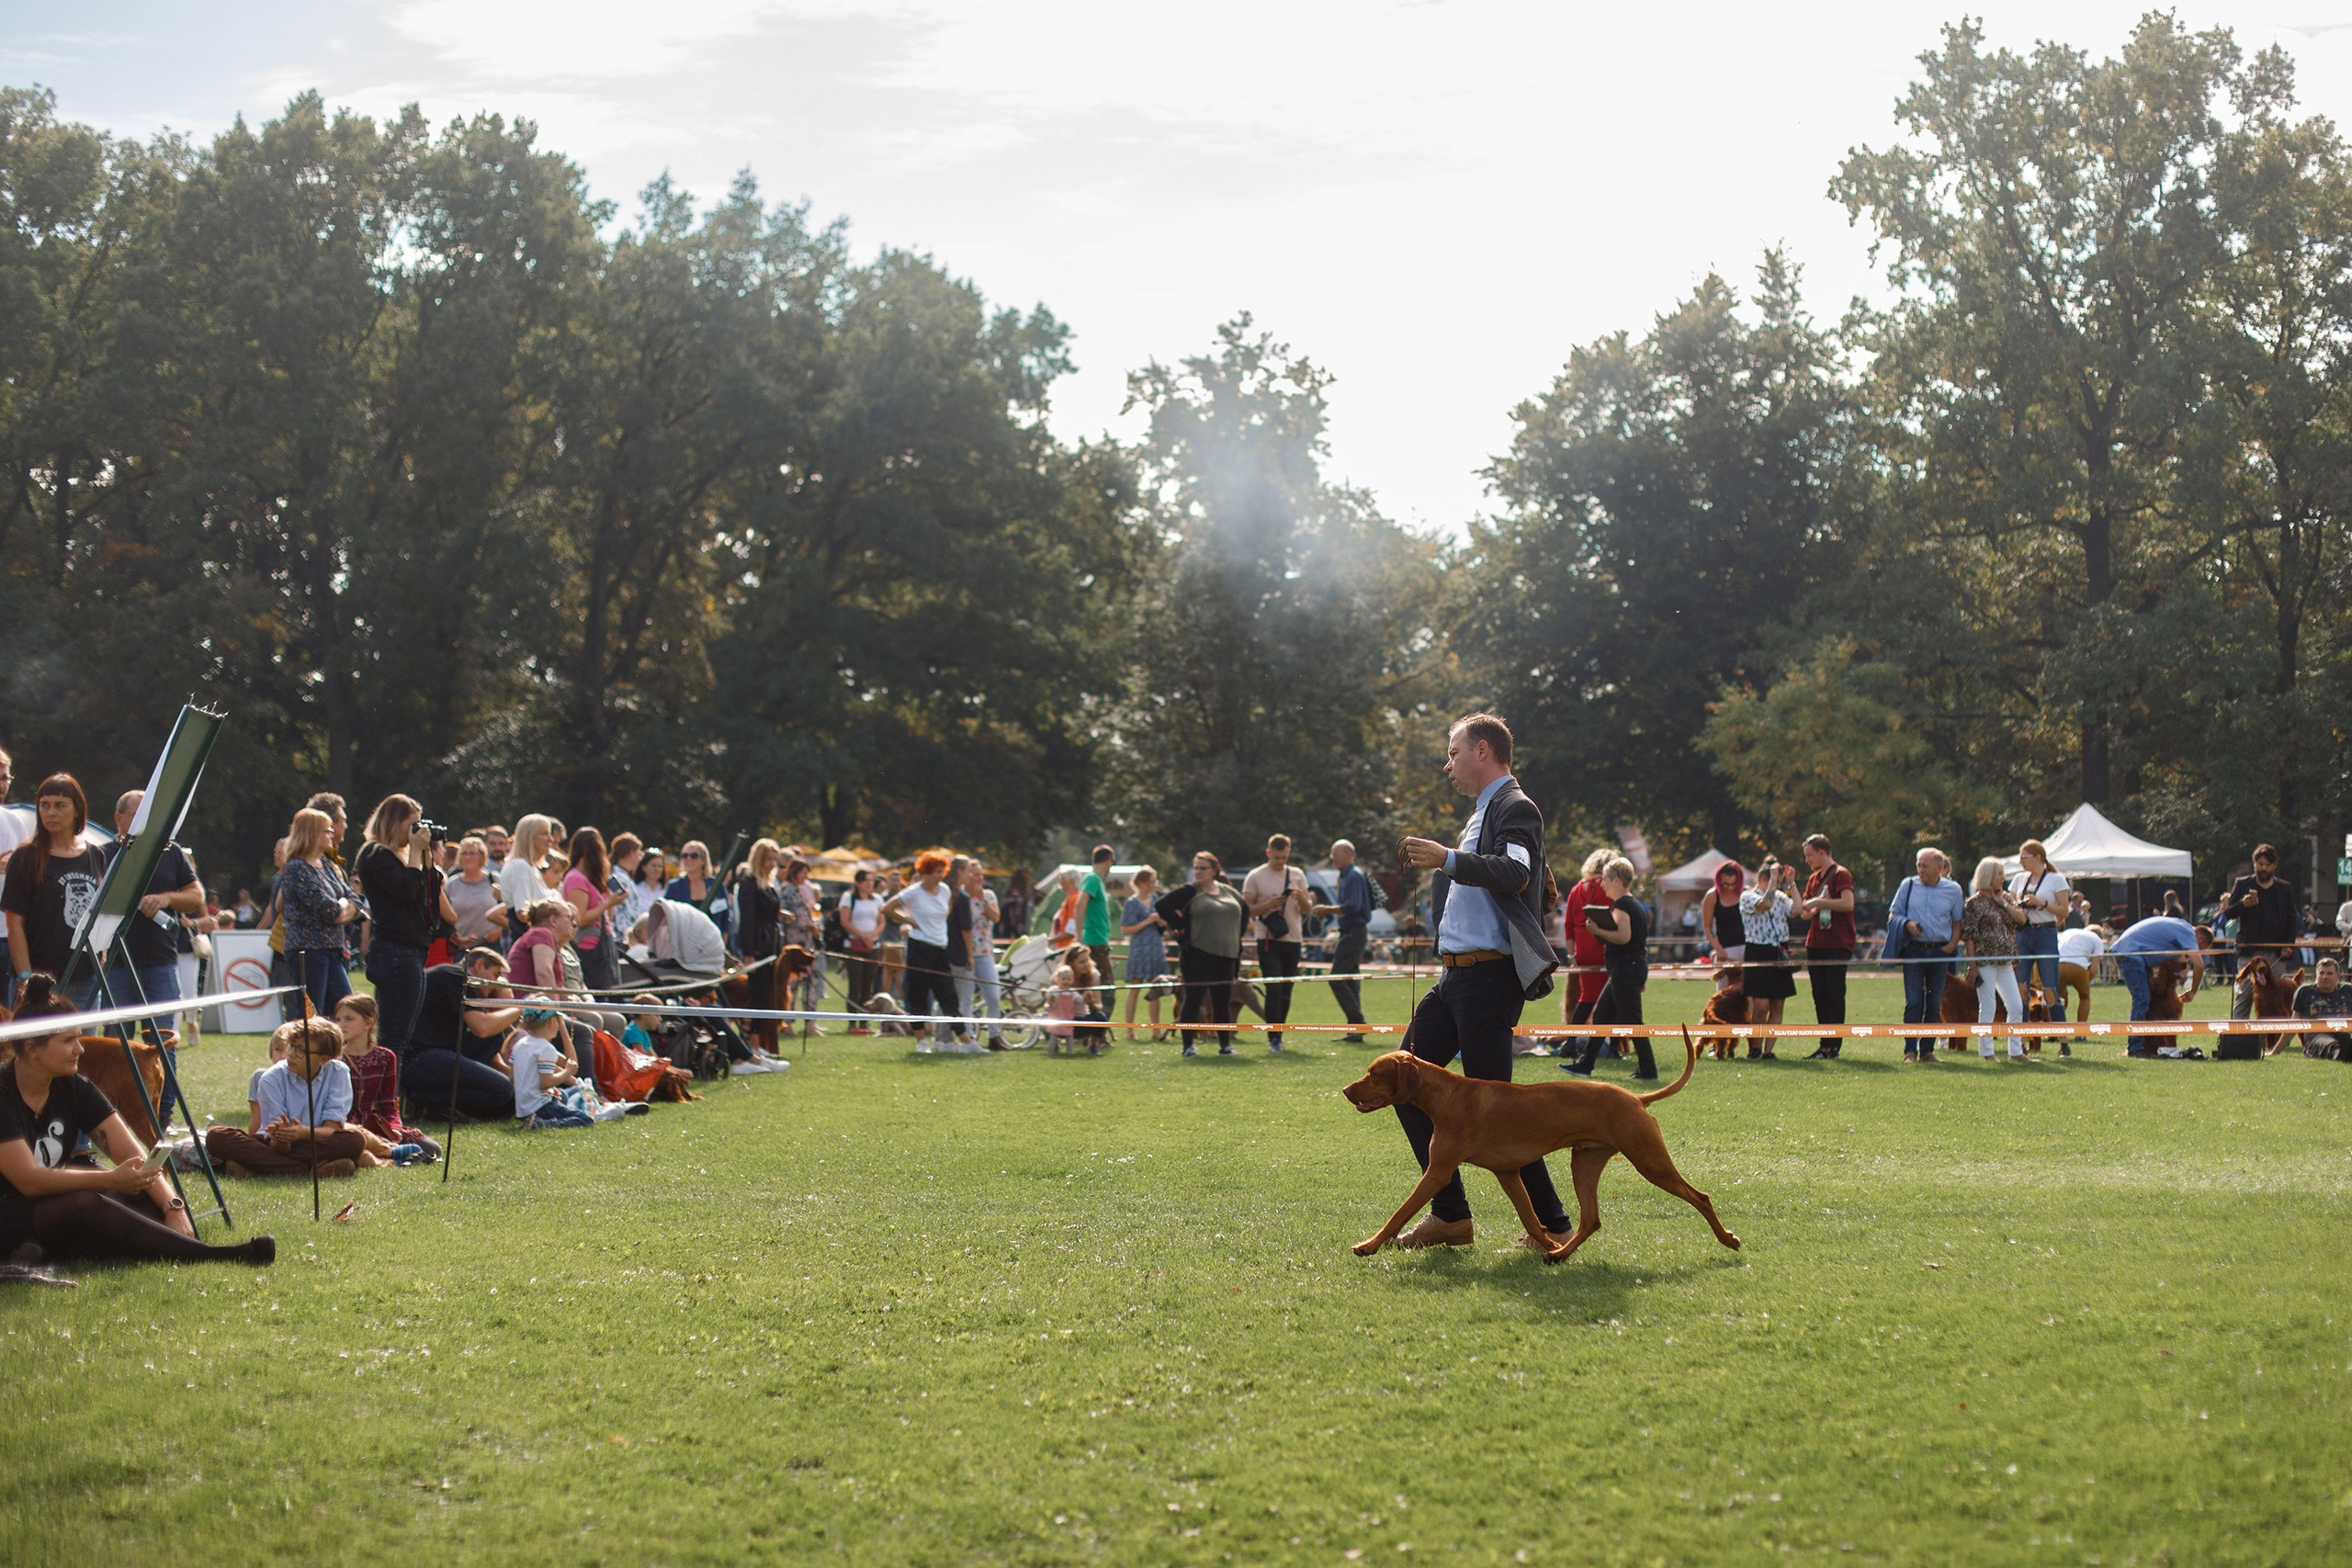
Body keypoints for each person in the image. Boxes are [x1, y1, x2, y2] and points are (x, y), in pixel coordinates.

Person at [1394, 712, 1569, 1250]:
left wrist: (1447, 859)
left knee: (1501, 1116)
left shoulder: (1515, 806)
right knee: (1404, 1085)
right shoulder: (1482, 813)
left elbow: (1515, 873)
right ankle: (1451, 1218)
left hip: (1488, 981)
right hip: (1453, 982)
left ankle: (1554, 1225)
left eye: (1454, 752)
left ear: (1484, 751)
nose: (1447, 764)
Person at [0, 975, 273, 1267]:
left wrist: (173, 1205)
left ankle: (64, 1248)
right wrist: (109, 1179)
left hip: (51, 1206)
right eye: (68, 1041)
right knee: (84, 1200)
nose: (80, 1049)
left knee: (145, 1197)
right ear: (32, 1050)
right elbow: (28, 1181)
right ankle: (214, 1255)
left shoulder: (73, 1085)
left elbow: (135, 1156)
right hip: (11, 1210)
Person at [92, 787, 204, 1023]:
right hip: (116, 963)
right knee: (119, 1045)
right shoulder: (102, 855)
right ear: (118, 818)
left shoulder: (169, 852)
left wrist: (166, 899)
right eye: (138, 815)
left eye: (150, 815)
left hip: (160, 961)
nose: (146, 821)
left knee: (163, 1043)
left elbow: (197, 896)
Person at [205, 1017, 368, 1177]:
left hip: (317, 1141)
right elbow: (275, 1143)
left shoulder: (338, 1072)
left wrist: (303, 1132)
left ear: (323, 1059)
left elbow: (332, 1129)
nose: (290, 1054)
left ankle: (257, 1167)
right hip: (273, 1145)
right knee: (216, 1137)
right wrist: (283, 1137)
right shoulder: (271, 1078)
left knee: (355, 1140)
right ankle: (308, 1170)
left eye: (301, 1051)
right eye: (291, 1046)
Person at [3, 774, 109, 1010]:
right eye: (45, 805)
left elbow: (100, 912)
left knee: (82, 1047)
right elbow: (14, 922)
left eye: (60, 806)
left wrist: (101, 955)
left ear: (77, 810)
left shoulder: (95, 855)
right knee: (33, 1047)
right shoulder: (26, 856)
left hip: (85, 977)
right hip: (38, 980)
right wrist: (25, 976)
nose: (50, 812)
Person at [355, 794, 449, 1057]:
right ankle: (386, 1098)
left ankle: (392, 1097)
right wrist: (417, 852)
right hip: (395, 953)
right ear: (394, 823)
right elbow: (406, 892)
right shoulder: (375, 854)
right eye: (413, 824)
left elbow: (428, 895)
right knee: (393, 1041)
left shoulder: (403, 856)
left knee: (403, 1039)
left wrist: (427, 855)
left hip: (411, 952)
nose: (419, 831)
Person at [403, 947, 526, 1121]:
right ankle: (424, 1098)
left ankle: (436, 1101)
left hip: (433, 1052)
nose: (496, 984)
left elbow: (486, 1032)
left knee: (495, 1038)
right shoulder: (459, 977)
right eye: (495, 975)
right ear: (479, 965)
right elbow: (481, 1028)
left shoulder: (452, 976)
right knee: (503, 1091)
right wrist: (520, 1008)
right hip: (419, 1057)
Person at [1566, 857, 1654, 1077]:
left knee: (1633, 1020)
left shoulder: (1622, 904)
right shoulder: (1633, 904)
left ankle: (1649, 1069)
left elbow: (1623, 937)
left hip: (1626, 969)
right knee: (1601, 1016)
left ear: (1616, 879)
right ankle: (1585, 1064)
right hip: (1625, 970)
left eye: (1605, 879)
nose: (1602, 884)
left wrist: (1597, 930)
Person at [1157, 852, 1246, 1056]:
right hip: (1197, 954)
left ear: (1215, 870)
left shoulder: (1228, 892)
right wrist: (1181, 926)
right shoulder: (1190, 891)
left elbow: (1244, 910)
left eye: (1202, 868)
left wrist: (1235, 937)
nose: (1198, 872)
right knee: (1193, 999)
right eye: (1196, 867)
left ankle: (1225, 1045)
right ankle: (1188, 1045)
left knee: (1222, 1002)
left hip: (1227, 955)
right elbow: (1162, 906)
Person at [882, 851, 969, 1050]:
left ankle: (966, 1041)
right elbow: (886, 908)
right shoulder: (913, 892)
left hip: (940, 947)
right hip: (919, 947)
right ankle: (921, 1041)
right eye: (937, 872)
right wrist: (908, 919)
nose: (941, 875)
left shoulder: (946, 890)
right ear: (926, 872)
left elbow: (944, 912)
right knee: (918, 995)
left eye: (942, 871)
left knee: (948, 995)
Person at [277, 806, 359, 1017]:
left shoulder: (327, 864)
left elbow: (355, 900)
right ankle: (307, 1051)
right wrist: (343, 907)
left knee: (347, 1010)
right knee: (312, 1017)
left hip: (334, 949)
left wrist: (342, 909)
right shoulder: (296, 869)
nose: (332, 835)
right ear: (312, 833)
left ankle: (335, 1051)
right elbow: (329, 910)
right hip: (308, 952)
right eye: (327, 830)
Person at [333, 995, 435, 1164]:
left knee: (431, 1148)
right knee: (354, 1146)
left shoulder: (386, 1057)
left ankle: (391, 1151)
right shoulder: (335, 1058)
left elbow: (387, 1104)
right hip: (346, 1128)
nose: (341, 1025)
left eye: (349, 1019)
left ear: (368, 1023)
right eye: (338, 1019)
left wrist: (395, 1130)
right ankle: (392, 1155)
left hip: (376, 1125)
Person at [1887, 847, 1964, 1063]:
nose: (1920, 870)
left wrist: (1951, 946)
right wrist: (1907, 924)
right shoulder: (1908, 885)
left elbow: (1958, 921)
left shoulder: (1954, 890)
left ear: (1939, 868)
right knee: (1914, 1001)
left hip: (1940, 951)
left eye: (1925, 866)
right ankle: (1909, 1051)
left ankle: (1927, 1051)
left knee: (1934, 1002)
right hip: (1914, 950)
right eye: (1918, 865)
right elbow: (1893, 914)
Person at [1242, 834, 1313, 1053]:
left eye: (1284, 858)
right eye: (1276, 858)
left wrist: (1300, 898)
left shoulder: (1297, 874)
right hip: (1268, 939)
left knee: (1286, 990)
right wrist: (1269, 904)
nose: (1281, 862)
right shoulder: (1255, 876)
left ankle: (1279, 1031)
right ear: (1268, 853)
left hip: (1293, 938)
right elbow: (1246, 910)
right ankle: (1274, 1037)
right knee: (1273, 987)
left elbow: (1308, 909)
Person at [1958, 856, 2030, 1063]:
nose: (2003, 878)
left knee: (2016, 1006)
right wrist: (1972, 965)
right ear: (1988, 875)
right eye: (1999, 874)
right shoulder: (1973, 903)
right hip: (1984, 960)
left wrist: (2003, 904)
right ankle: (1987, 1052)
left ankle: (2015, 1051)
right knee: (1987, 1006)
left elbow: (2022, 919)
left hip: (2006, 960)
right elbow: (1969, 935)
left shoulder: (2005, 897)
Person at [2109, 914, 2210, 1058]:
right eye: (2202, 948)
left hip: (2135, 953)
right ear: (2201, 939)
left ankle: (2148, 1045)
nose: (2198, 950)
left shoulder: (2181, 926)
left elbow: (2176, 959)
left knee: (2150, 1000)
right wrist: (2193, 991)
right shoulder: (2188, 933)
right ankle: (2135, 1048)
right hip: (2131, 954)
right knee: (2142, 999)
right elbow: (2199, 965)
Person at [2228, 844, 2297, 1048]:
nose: (2263, 868)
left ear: (2274, 866)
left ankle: (2272, 1040)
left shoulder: (2284, 888)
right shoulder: (2242, 884)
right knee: (2244, 995)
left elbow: (2292, 918)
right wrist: (2243, 905)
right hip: (2249, 952)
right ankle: (2235, 1038)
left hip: (2275, 953)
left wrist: (2288, 944)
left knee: (2273, 999)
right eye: (2259, 864)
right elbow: (2229, 913)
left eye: (2267, 864)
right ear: (2254, 863)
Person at [1794, 834, 1856, 1059]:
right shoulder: (1813, 879)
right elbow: (1805, 913)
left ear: (1822, 852)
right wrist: (1807, 907)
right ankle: (1824, 1045)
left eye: (1810, 855)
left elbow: (1848, 903)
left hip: (1838, 944)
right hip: (1816, 943)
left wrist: (1819, 902)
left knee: (1834, 993)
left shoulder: (1841, 874)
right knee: (1819, 994)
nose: (1807, 860)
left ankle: (1834, 1046)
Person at [1312, 840, 1374, 1043]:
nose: (1333, 858)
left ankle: (1358, 1022)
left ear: (1348, 854)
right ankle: (1355, 1028)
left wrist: (1327, 909)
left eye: (1335, 854)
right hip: (1350, 931)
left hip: (1354, 932)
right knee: (1349, 979)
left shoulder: (1353, 875)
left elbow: (1353, 906)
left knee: (1336, 978)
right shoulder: (1347, 875)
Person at [2005, 840, 2070, 1029]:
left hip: (2046, 933)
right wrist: (2019, 905)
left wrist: (2042, 903)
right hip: (2023, 933)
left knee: (2050, 989)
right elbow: (2012, 905)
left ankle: (2062, 1040)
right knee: (2021, 987)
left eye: (2024, 858)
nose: (2021, 862)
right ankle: (2021, 1040)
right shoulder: (2018, 879)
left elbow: (2064, 911)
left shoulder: (2056, 879)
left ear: (2038, 857)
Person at [1557, 849, 1612, 1064]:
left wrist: (1572, 954)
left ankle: (1571, 1041)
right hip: (1604, 944)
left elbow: (1568, 925)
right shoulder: (1608, 886)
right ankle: (1612, 1044)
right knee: (1611, 998)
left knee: (1586, 996)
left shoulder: (1576, 889)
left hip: (1582, 948)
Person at [1736, 854, 1797, 1053]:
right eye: (1776, 882)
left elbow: (1797, 910)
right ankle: (1755, 1048)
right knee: (1761, 1006)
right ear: (1764, 878)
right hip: (1758, 951)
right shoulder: (1747, 896)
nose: (1779, 887)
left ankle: (1769, 1051)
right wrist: (1773, 881)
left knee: (1778, 1004)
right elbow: (1765, 905)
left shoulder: (1780, 895)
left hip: (1779, 950)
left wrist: (1792, 883)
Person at [561, 827, 628, 996]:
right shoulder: (576, 878)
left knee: (611, 992)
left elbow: (609, 917)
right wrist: (607, 903)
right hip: (588, 949)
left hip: (604, 946)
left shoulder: (592, 879)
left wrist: (610, 898)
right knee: (599, 993)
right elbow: (579, 919)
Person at [950, 857, 1006, 1050]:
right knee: (965, 999)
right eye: (975, 874)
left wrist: (983, 900)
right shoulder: (959, 897)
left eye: (981, 874)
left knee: (993, 996)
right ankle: (970, 1038)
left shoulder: (988, 895)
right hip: (966, 954)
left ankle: (994, 1036)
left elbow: (996, 918)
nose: (979, 878)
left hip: (984, 953)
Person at [510, 1009, 595, 1129]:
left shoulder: (520, 1044)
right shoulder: (546, 1048)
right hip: (541, 1107)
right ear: (551, 1021)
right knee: (585, 1120)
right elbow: (548, 1081)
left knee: (572, 1092)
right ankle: (541, 1124)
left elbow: (513, 1078)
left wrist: (551, 1088)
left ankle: (535, 1121)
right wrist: (567, 1072)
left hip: (523, 1109)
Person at [1121, 866, 1171, 1041]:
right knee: (1134, 989)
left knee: (1155, 989)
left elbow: (1161, 924)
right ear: (1142, 883)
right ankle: (1129, 1030)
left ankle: (1156, 1030)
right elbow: (1126, 929)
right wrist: (1148, 921)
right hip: (1139, 949)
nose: (1154, 885)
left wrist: (1161, 923)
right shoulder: (1131, 903)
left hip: (1155, 949)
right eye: (1151, 882)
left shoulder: (1155, 899)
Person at [777, 857, 824, 1034]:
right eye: (803, 872)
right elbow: (798, 916)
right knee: (795, 983)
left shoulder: (799, 889)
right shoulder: (790, 890)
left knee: (807, 982)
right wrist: (813, 926)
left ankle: (808, 1024)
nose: (805, 876)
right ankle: (789, 1023)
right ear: (795, 872)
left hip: (803, 942)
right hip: (796, 943)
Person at [666, 840, 734, 953]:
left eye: (694, 855)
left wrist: (722, 948)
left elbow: (725, 920)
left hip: (712, 945)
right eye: (685, 855)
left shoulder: (716, 885)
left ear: (703, 860)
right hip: (683, 947)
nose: (688, 859)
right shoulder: (674, 886)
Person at [839, 870, 886, 1029]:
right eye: (866, 881)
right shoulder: (849, 898)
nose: (869, 884)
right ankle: (852, 1022)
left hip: (873, 947)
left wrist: (871, 936)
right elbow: (845, 922)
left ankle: (864, 1022)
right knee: (855, 985)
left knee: (868, 985)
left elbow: (881, 922)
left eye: (871, 881)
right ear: (858, 883)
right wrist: (863, 937)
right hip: (854, 945)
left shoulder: (878, 900)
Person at [497, 814, 558, 937]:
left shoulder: (530, 867)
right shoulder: (520, 867)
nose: (550, 839)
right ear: (530, 838)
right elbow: (522, 913)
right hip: (531, 944)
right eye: (545, 833)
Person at [445, 836, 507, 951]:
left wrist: (499, 930)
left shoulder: (494, 879)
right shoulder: (451, 884)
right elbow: (444, 915)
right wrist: (455, 937)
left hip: (491, 946)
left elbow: (507, 909)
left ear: (482, 857)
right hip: (460, 947)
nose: (467, 857)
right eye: (464, 853)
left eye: (472, 853)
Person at [2056, 921, 2108, 1045]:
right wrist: (2086, 982)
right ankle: (2080, 1033)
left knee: (2059, 1000)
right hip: (2077, 966)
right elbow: (2094, 969)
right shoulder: (2097, 941)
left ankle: (2054, 1031)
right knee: (2084, 998)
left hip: (2057, 964)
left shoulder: (2070, 932)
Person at [2291, 958, 2349, 1060]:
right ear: (2316, 975)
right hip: (2317, 1035)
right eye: (2321, 973)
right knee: (2330, 1044)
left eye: (2329, 973)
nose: (2324, 977)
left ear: (2337, 977)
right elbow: (2293, 1024)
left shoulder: (2348, 990)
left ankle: (2347, 1051)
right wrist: (2276, 1050)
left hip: (2345, 1032)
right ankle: (2340, 1055)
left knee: (2347, 1038)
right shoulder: (2304, 991)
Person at [1699, 860, 1746, 970]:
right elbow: (1707, 927)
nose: (1730, 887)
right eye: (1725, 884)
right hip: (1724, 949)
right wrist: (1718, 948)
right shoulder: (1712, 896)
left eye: (1733, 884)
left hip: (1746, 948)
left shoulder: (1746, 894)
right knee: (1724, 986)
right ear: (1719, 880)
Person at [1080, 844, 1116, 981]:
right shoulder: (1092, 878)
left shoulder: (1096, 879)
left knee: (1096, 986)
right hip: (1094, 941)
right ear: (1109, 860)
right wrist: (1079, 936)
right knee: (1106, 988)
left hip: (1098, 940)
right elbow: (1081, 903)